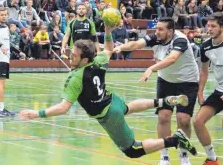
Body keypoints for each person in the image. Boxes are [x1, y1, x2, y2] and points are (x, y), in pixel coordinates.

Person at [19, 25, 197, 159]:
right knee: (127, 108)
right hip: (112, 101)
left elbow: (63, 108)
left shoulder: (75, 79)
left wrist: (37, 113)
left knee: (133, 150)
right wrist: (109, 31)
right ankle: (164, 102)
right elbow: (109, 49)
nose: (70, 55)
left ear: (85, 59)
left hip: (108, 115)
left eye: (74, 54)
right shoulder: (99, 61)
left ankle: (175, 139)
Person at [114, 17, 199, 165]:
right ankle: (164, 156)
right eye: (156, 28)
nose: (157, 32)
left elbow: (172, 58)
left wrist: (151, 68)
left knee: (183, 119)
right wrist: (121, 48)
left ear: (170, 31)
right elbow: (137, 44)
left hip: (187, 82)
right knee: (163, 116)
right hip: (166, 81)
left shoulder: (180, 40)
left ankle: (183, 155)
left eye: (160, 29)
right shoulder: (156, 38)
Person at [193, 12, 223, 165]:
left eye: (213, 26)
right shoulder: (205, 47)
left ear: (222, 28)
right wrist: (200, 91)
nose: (209, 29)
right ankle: (212, 159)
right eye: (208, 26)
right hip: (219, 92)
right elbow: (204, 70)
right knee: (198, 122)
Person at [0, 7, 15, 117]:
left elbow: (6, 43)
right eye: (1, 14)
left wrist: (18, 51)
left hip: (4, 58)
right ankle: (1, 109)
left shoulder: (5, 27)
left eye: (5, 14)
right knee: (1, 83)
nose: (4, 16)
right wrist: (0, 45)